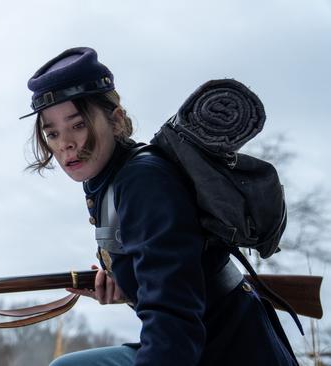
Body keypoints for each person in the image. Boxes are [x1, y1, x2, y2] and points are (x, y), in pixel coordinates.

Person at [20, 47, 298, 366]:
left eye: (78, 125)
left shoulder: (142, 182)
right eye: (52, 132)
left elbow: (174, 316)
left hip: (227, 351)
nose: (64, 143)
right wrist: (124, 284)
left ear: (116, 120)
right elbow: (164, 271)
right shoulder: (108, 183)